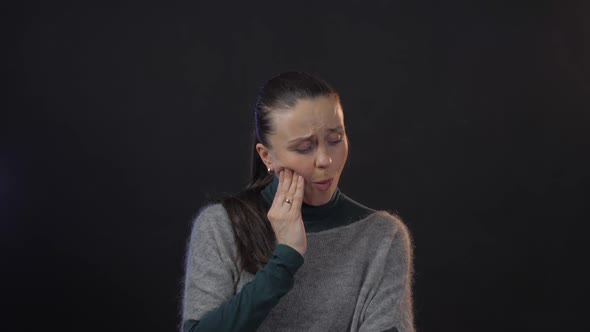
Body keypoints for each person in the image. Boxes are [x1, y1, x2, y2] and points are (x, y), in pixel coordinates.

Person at [180, 71, 415, 332]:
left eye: (335, 139)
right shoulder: (222, 226)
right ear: (267, 157)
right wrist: (284, 260)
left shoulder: (382, 236)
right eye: (305, 148)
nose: (325, 160)